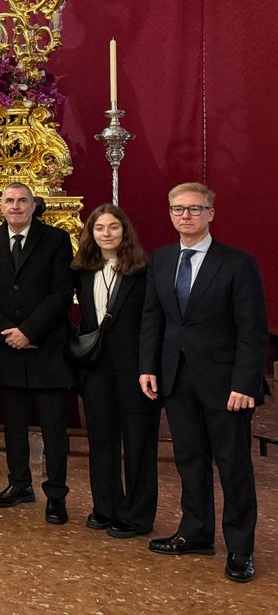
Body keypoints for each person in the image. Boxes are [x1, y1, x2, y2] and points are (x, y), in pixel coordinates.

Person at [139, 183, 267, 583]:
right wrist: (148, 366)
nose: (186, 216)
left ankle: (240, 549)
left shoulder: (237, 263)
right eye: (178, 209)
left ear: (211, 213)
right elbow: (153, 319)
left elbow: (252, 329)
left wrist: (245, 383)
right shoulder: (160, 260)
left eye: (195, 209)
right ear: (170, 214)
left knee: (233, 467)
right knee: (189, 461)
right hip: (176, 380)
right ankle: (196, 532)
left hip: (227, 385)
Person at [0, 182, 75, 524]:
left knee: (53, 427)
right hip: (7, 349)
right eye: (9, 201)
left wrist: (30, 331)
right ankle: (19, 484)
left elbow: (62, 293)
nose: (15, 206)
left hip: (47, 349)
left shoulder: (57, 240)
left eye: (22, 201)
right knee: (13, 424)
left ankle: (57, 495)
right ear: (1, 207)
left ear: (34, 205)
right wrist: (9, 333)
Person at [72, 204, 158, 538]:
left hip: (136, 368)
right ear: (90, 234)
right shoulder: (82, 269)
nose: (106, 234)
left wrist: (149, 366)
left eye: (113, 227)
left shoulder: (143, 269)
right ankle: (105, 507)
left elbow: (153, 321)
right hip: (96, 368)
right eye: (99, 228)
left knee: (139, 442)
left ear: (125, 232)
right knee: (102, 440)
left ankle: (136, 515)